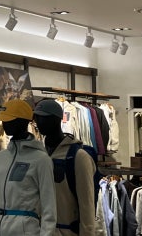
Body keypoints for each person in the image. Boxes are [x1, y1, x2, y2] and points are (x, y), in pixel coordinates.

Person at [0, 99, 56, 236]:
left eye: (9, 120)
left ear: (22, 122)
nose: (4, 124)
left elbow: (49, 210)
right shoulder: (0, 158)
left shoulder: (41, 160)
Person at [32, 98, 103, 236]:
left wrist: (87, 233)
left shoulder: (78, 157)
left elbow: (87, 205)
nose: (39, 123)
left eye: (44, 118)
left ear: (56, 119)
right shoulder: (39, 155)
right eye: (37, 118)